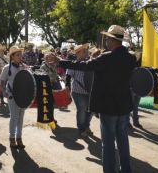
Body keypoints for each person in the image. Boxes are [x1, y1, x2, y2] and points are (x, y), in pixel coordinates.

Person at [51, 25, 136, 173]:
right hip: (124, 105)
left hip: (108, 107)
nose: (106, 41)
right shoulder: (131, 57)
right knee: (122, 139)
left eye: (108, 39)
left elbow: (84, 66)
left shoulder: (107, 57)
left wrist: (61, 61)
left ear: (112, 40)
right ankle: (126, 169)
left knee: (108, 142)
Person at [0, 46, 26, 149]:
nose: (20, 57)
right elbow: (2, 82)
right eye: (17, 55)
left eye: (20, 55)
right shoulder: (7, 68)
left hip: (22, 96)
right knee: (14, 117)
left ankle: (19, 138)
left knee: (21, 118)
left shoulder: (23, 67)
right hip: (12, 95)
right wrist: (4, 93)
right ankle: (12, 138)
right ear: (12, 56)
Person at [64, 43, 93, 138]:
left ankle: (86, 126)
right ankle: (81, 129)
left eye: (86, 50)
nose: (86, 52)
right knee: (82, 110)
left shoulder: (90, 63)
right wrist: (67, 86)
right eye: (83, 51)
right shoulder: (74, 64)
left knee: (90, 110)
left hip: (90, 91)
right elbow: (68, 76)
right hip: (78, 91)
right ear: (77, 53)